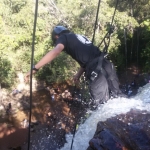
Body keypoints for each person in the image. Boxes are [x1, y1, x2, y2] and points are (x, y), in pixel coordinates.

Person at [25, 25, 126, 107]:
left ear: (56, 36)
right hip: (106, 64)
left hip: (95, 71)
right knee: (118, 97)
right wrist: (77, 75)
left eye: (56, 41)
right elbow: (87, 60)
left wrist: (35, 68)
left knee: (103, 106)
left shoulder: (63, 38)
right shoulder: (77, 37)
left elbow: (56, 51)